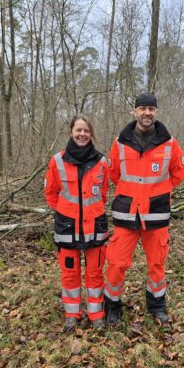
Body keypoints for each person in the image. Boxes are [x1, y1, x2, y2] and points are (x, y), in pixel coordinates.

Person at [103, 93, 184, 325]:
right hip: (126, 214)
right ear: (134, 111)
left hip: (156, 215)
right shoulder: (120, 143)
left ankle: (157, 306)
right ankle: (111, 306)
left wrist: (160, 192)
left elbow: (178, 173)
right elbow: (114, 175)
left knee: (157, 264)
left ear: (156, 112)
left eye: (151, 108)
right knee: (117, 263)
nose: (147, 113)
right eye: (142, 108)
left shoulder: (169, 144)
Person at [44, 115, 109, 331]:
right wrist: (66, 213)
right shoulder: (57, 161)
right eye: (78, 130)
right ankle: (72, 313)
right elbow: (51, 194)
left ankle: (96, 314)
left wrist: (91, 213)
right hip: (67, 229)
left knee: (95, 273)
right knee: (70, 274)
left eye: (86, 131)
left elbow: (103, 194)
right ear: (71, 132)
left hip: (95, 229)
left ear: (91, 134)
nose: (82, 134)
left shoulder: (101, 162)